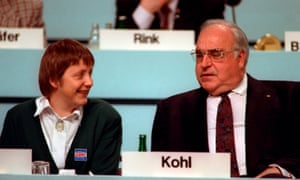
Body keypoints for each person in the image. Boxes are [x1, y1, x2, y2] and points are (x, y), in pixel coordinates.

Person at [151, 19, 300, 178]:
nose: (204, 63)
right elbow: (159, 169)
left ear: (240, 58)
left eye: (216, 54)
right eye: (200, 55)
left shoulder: (289, 98)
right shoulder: (172, 110)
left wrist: (278, 171)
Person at [0, 39, 122, 175]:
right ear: (54, 79)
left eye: (90, 73)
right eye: (79, 75)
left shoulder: (106, 118)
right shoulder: (18, 118)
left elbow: (103, 176)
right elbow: (7, 174)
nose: (89, 82)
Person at [115, 0, 225, 39]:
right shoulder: (128, 2)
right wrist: (145, 10)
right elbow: (117, 43)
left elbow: (213, 44)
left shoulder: (208, 4)